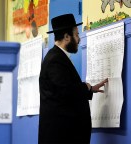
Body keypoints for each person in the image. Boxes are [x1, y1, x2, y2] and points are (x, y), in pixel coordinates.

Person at [38, 14, 108, 144]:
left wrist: (91, 89)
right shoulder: (55, 60)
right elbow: (65, 90)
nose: (79, 39)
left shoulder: (57, 57)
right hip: (61, 137)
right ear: (66, 37)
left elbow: (63, 89)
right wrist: (86, 87)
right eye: (76, 35)